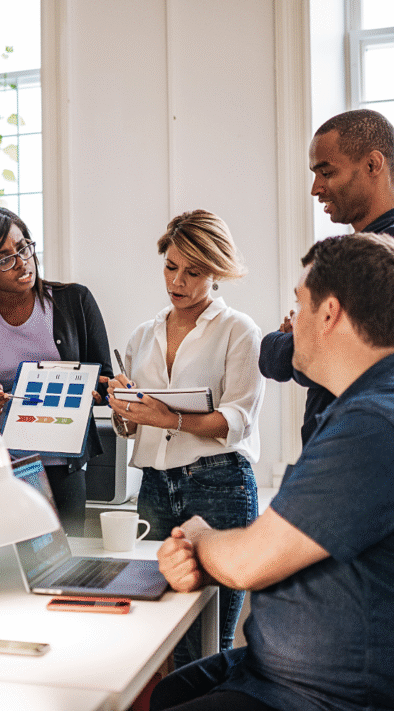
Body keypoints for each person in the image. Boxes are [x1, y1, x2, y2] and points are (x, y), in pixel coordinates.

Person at [152, 233, 394, 711]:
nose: (291, 322)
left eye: (299, 304)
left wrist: (199, 540)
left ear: (328, 314)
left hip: (321, 694)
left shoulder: (373, 424)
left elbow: (249, 562)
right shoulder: (361, 407)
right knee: (168, 690)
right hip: (275, 669)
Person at [107, 210, 264, 666]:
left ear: (216, 272)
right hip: (154, 489)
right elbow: (132, 428)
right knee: (157, 634)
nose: (177, 281)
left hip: (219, 485)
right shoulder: (143, 336)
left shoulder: (239, 330)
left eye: (193, 272)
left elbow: (236, 421)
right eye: (171, 267)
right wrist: (123, 410)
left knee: (210, 640)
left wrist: (168, 418)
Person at [0, 207, 112, 536]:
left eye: (24, 248)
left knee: (64, 561)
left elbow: (104, 381)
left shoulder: (75, 301)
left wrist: (99, 390)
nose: (22, 263)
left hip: (64, 468)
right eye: (4, 259)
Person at [260, 109, 394, 444]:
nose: (315, 189)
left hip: (359, 447)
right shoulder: (354, 250)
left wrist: (291, 338)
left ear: (373, 165)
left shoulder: (380, 253)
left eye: (326, 172)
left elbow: (283, 357)